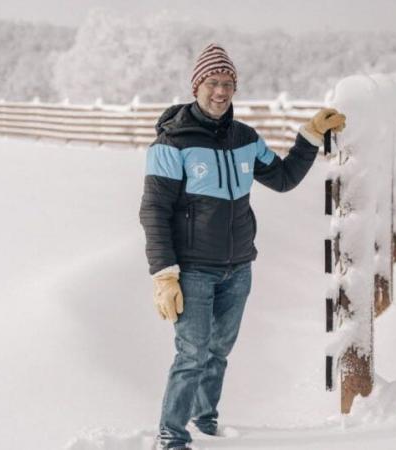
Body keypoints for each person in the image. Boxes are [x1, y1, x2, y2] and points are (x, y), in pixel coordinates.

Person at [138, 43, 346, 450]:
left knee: (217, 352)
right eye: (213, 83)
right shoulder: (172, 143)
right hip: (193, 270)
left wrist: (309, 135)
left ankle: (206, 423)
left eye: (228, 84)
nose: (221, 92)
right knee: (192, 355)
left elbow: (283, 178)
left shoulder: (245, 139)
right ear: (196, 86)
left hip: (238, 268)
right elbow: (153, 211)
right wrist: (164, 274)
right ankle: (171, 437)